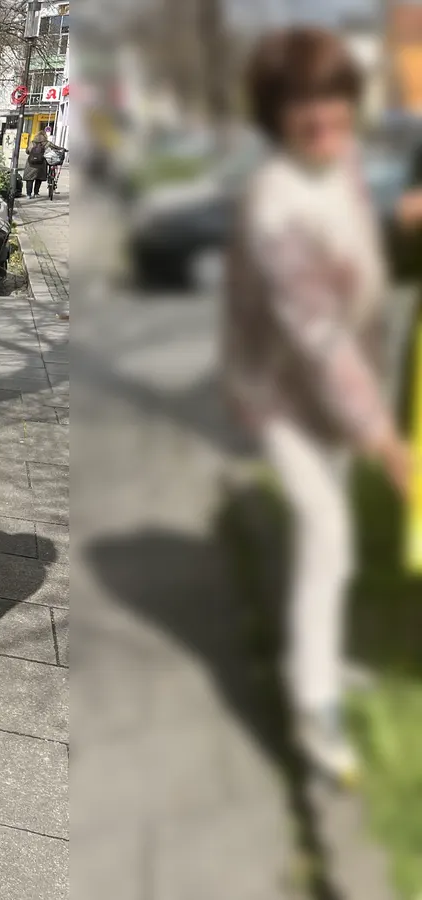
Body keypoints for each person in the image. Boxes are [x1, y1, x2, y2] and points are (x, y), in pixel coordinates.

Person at [224, 27, 412, 786]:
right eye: (304, 101)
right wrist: (387, 443)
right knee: (329, 536)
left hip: (328, 393)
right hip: (286, 397)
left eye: (336, 96)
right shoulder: (278, 202)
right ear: (277, 110)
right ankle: (314, 706)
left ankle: (320, 662)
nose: (325, 113)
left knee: (329, 546)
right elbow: (318, 336)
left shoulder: (337, 168)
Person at [24, 126, 60, 197]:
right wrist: (64, 149)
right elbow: (56, 148)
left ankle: (28, 194)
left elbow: (27, 151)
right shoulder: (47, 143)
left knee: (29, 179)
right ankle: (36, 193)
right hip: (41, 163)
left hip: (31, 163)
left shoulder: (32, 142)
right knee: (39, 178)